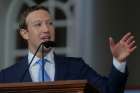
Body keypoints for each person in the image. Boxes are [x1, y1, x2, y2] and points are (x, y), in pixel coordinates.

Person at [0, 5, 137, 93]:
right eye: (38, 24)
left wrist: (118, 62)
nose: (46, 29)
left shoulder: (77, 67)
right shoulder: (6, 77)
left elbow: (109, 91)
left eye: (50, 23)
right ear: (25, 33)